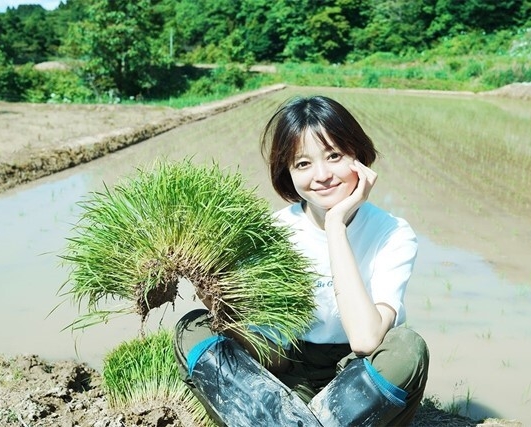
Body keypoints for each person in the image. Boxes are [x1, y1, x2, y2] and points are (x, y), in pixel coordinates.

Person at [174, 95, 429, 427]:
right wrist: (223, 305)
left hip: (359, 376)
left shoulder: (392, 233)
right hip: (288, 371)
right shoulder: (272, 231)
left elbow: (366, 341)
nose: (322, 175)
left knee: (407, 348)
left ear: (358, 156)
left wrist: (335, 225)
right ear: (288, 172)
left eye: (334, 156)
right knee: (194, 329)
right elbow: (272, 352)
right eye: (303, 164)